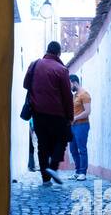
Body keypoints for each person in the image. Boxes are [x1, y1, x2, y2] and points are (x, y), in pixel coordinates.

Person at [22, 40, 73, 185]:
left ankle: (45, 179)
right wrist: (70, 116)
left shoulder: (35, 64)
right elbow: (67, 96)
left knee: (42, 144)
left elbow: (26, 84)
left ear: (47, 50)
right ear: (59, 53)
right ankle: (53, 167)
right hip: (58, 114)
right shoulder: (62, 70)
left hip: (38, 113)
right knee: (61, 139)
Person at [68, 74, 91, 180]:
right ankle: (77, 171)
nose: (69, 87)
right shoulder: (75, 95)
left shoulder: (84, 94)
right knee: (72, 149)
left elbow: (87, 112)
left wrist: (75, 118)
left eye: (69, 84)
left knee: (82, 149)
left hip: (82, 125)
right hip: (73, 126)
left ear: (74, 82)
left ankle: (83, 173)